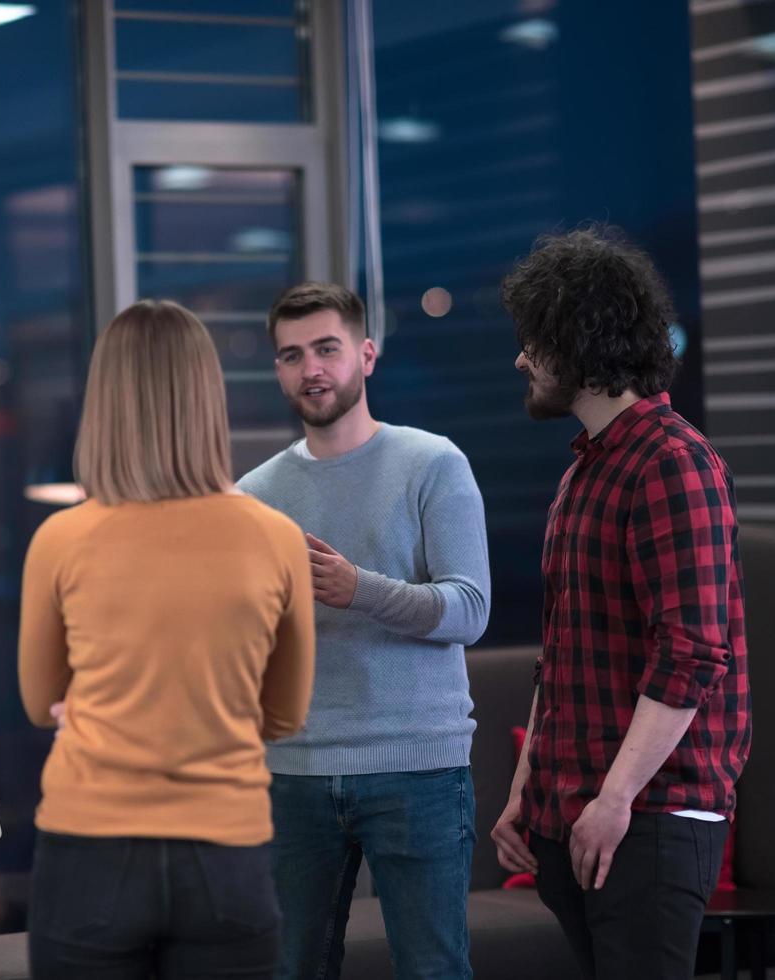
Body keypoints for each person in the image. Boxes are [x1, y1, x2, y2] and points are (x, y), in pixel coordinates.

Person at [18, 299, 317, 980]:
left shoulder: (60, 538)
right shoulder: (276, 538)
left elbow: (42, 704)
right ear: (205, 399)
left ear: (106, 402)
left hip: (88, 849)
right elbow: (285, 715)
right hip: (227, 854)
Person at [490, 226, 751, 980]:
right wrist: (524, 790)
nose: (521, 360)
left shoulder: (674, 462)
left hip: (650, 816)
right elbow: (563, 653)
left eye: (533, 341)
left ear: (579, 343)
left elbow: (692, 654)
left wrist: (615, 800)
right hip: (580, 812)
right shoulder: (583, 475)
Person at [238, 282, 492, 980]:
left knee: (433, 969)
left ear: (367, 355)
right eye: (292, 355)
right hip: (293, 771)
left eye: (327, 348)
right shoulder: (252, 496)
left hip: (419, 768)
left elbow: (471, 609)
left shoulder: (433, 463)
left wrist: (359, 590)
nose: (311, 368)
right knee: (293, 969)